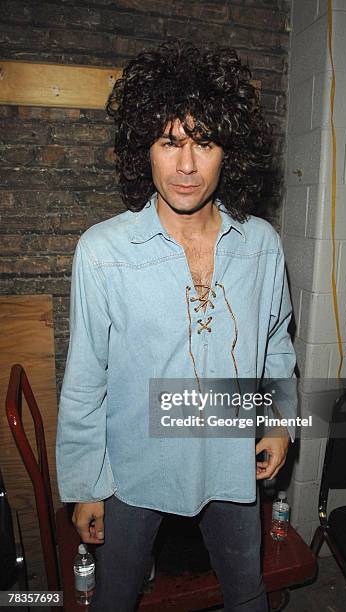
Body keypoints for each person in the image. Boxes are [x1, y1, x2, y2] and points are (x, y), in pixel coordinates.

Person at [56, 39, 297, 612]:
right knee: (114, 598)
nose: (186, 166)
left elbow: (278, 347)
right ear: (146, 148)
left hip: (229, 459)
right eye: (170, 142)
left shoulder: (262, 244)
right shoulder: (103, 251)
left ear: (227, 152)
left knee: (247, 596)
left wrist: (281, 423)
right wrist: (87, 484)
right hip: (135, 468)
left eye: (204, 143)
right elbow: (87, 376)